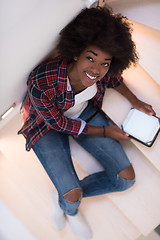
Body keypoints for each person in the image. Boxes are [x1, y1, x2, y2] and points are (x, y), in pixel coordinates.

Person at [18, 6, 155, 239]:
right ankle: (68, 204)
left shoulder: (103, 72)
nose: (96, 69)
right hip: (44, 125)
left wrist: (136, 101)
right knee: (72, 196)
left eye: (105, 63)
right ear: (76, 53)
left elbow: (115, 78)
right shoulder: (42, 81)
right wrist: (104, 131)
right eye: (90, 58)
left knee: (125, 180)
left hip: (82, 114)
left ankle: (64, 194)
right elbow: (59, 124)